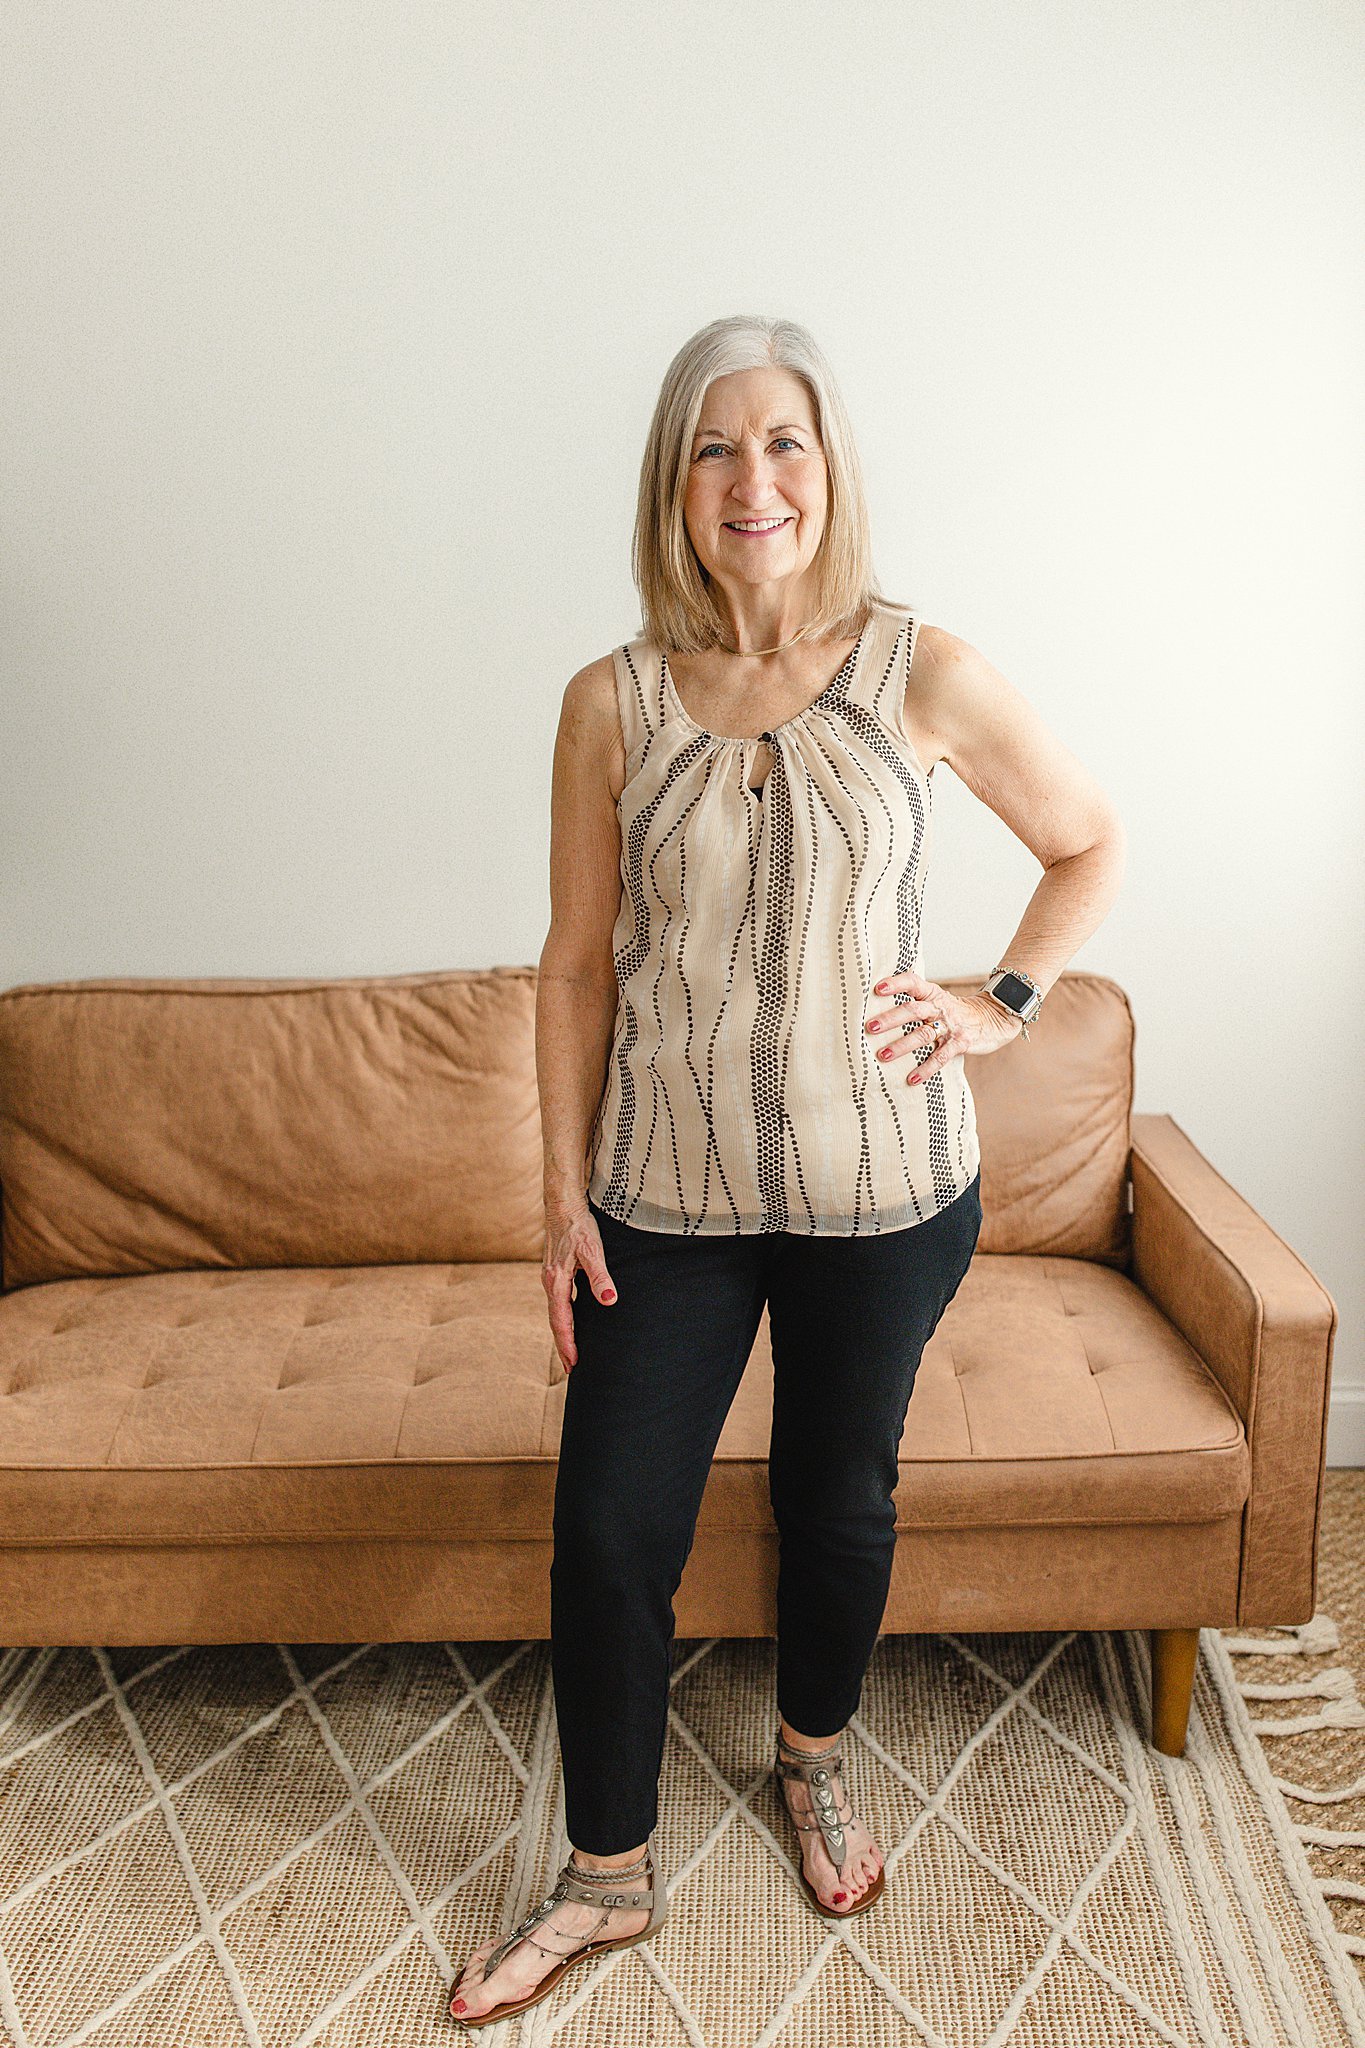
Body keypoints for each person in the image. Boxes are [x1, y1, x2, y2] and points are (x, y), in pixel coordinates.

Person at [447, 315, 1125, 2028]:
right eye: (713, 448)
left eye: (785, 444)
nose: (754, 481)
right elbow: (576, 964)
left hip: (887, 1193)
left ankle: (813, 1754)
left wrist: (1005, 1001)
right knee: (609, 1531)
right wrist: (555, 1193)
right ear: (673, 487)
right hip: (659, 1199)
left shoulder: (925, 673)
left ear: (828, 471)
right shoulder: (605, 702)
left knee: (839, 1497)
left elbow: (1088, 837)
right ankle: (604, 1873)